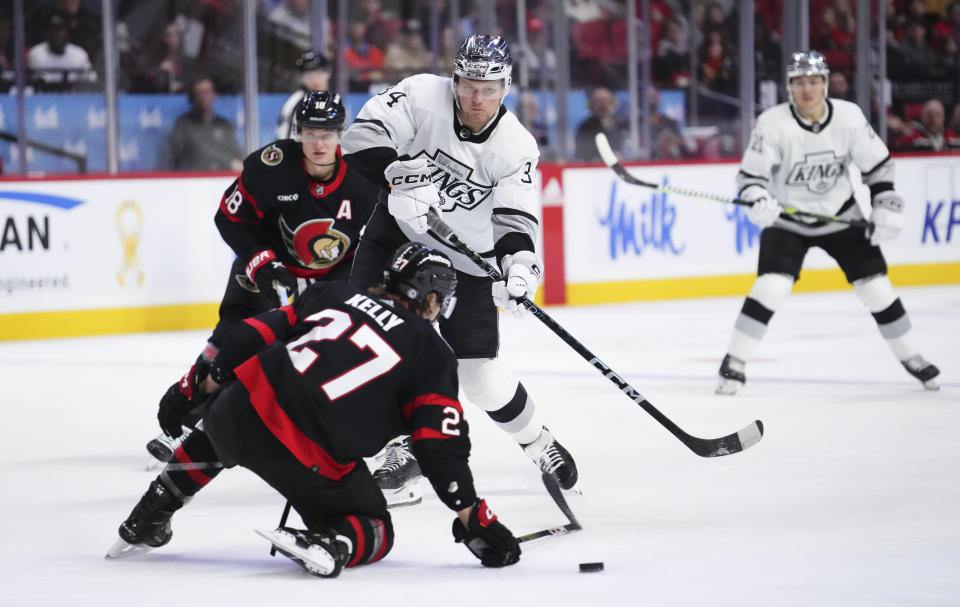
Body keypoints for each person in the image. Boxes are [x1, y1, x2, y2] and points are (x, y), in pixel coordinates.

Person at [107, 242, 522, 576]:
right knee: (376, 526)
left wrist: (196, 386)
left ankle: (151, 511)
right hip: (311, 452)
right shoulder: (432, 353)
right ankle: (332, 542)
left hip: (244, 409)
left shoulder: (336, 292)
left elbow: (250, 334)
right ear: (430, 295)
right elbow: (437, 448)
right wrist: (473, 519)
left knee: (216, 430)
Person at [340, 34, 579, 498]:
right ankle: (399, 447)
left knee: (479, 376)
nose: (476, 97)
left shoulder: (515, 147)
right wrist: (396, 171)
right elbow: (359, 137)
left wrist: (520, 266)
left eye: (489, 88)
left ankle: (537, 441)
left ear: (506, 87)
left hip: (466, 260)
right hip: (397, 235)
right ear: (454, 79)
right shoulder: (419, 94)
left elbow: (514, 220)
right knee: (370, 339)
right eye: (468, 84)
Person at [145, 92, 379, 468]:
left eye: (327, 133)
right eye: (310, 133)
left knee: (335, 357)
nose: (319, 143)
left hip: (332, 278)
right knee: (230, 346)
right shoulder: (271, 166)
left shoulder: (364, 181)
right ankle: (185, 421)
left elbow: (379, 239)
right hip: (267, 267)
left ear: (341, 134)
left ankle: (337, 436)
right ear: (298, 132)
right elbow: (229, 218)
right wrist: (260, 261)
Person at [715, 50, 941, 395]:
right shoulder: (773, 123)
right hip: (789, 219)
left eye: (814, 82)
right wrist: (758, 198)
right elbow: (751, 177)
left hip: (841, 214)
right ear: (789, 87)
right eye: (799, 83)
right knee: (770, 287)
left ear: (825, 84)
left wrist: (886, 201)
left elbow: (877, 166)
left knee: (877, 289)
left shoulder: (848, 117)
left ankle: (912, 356)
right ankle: (734, 361)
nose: (807, 89)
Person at [166, 77, 244, 172]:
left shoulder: (223, 124)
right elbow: (198, 151)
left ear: (214, 95)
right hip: (192, 180)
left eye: (206, 92)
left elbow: (236, 153)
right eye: (198, 93)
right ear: (193, 97)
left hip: (221, 179)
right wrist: (228, 162)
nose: (202, 97)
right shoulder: (183, 123)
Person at [27, 11, 95, 90]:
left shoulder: (80, 54)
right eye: (52, 29)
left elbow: (90, 82)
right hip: (45, 97)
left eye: (60, 29)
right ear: (47, 32)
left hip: (75, 97)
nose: (56, 34)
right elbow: (39, 84)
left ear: (67, 33)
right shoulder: (36, 53)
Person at [276, 49, 333, 140]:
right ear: (301, 78)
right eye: (309, 74)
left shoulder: (331, 100)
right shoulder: (297, 102)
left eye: (318, 73)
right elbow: (288, 140)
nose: (315, 79)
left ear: (328, 73)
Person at [574, 87, 626, 161]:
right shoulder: (585, 127)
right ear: (591, 105)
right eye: (598, 101)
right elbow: (581, 153)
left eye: (606, 101)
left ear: (613, 103)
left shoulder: (621, 125)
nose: (603, 105)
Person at [892, 99, 960, 152]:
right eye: (929, 115)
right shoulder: (910, 136)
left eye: (938, 115)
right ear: (922, 116)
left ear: (943, 117)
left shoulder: (953, 136)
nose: (934, 119)